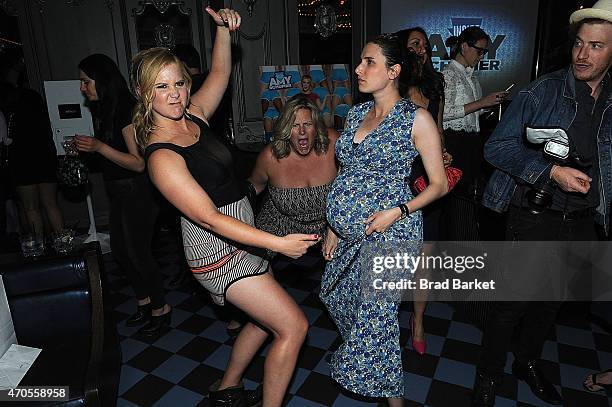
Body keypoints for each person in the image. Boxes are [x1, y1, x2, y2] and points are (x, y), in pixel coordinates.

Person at [131, 7, 319, 406]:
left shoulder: (193, 115)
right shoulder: (161, 156)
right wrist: (279, 242)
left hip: (243, 238)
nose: (176, 94)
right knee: (293, 326)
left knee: (260, 321)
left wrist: (221, 32)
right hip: (217, 250)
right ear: (145, 94)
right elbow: (208, 217)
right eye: (162, 87)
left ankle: (226, 388)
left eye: (179, 83)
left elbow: (219, 74)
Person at [474, 2, 612, 405]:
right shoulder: (543, 90)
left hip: (583, 219)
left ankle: (527, 361)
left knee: (549, 303)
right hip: (535, 214)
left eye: (597, 46)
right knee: (511, 304)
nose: (583, 55)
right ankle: (487, 379)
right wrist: (551, 172)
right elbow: (496, 148)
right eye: (579, 45)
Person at [320, 34, 448, 406]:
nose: (358, 69)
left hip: (393, 232)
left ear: (393, 71)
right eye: (360, 61)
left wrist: (400, 210)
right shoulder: (357, 113)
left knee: (376, 319)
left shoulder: (417, 119)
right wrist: (332, 226)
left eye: (369, 62)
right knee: (338, 298)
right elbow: (347, 172)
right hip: (348, 236)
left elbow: (439, 184)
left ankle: (391, 397)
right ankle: (379, 368)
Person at [75, 53, 171, 337]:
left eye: (85, 81)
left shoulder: (127, 108)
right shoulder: (106, 109)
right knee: (121, 251)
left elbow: (138, 162)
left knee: (138, 253)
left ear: (101, 81)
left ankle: (161, 309)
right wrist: (92, 150)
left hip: (138, 191)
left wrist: (99, 148)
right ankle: (144, 302)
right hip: (119, 192)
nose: (83, 88)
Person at [396, 26, 452, 356]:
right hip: (400, 178)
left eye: (424, 44)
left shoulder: (436, 85)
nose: (421, 48)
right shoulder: (392, 87)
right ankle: (385, 316)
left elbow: (439, 129)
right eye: (413, 44)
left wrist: (442, 155)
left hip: (429, 180)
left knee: (424, 257)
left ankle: (418, 319)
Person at [442, 27, 509, 241]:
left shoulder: (472, 77)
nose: (481, 56)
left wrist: (488, 106)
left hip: (471, 141)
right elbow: (443, 114)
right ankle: (453, 244)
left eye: (484, 53)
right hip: (454, 142)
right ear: (464, 47)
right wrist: (482, 102)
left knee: (468, 195)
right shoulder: (447, 75)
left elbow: (471, 112)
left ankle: (463, 242)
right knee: (457, 197)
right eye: (479, 51)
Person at [249, 96, 338, 254]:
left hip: (327, 236)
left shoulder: (333, 144)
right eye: (295, 125)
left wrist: (335, 229)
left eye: (307, 124)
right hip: (280, 237)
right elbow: (251, 189)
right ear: (286, 129)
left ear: (316, 127)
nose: (302, 131)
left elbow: (353, 182)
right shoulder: (270, 156)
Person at [0, 80, 65, 242]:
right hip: (44, 158)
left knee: (30, 208)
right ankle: (63, 243)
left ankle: (40, 246)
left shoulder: (10, 114)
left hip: (21, 161)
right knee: (51, 204)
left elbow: (5, 139)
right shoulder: (38, 110)